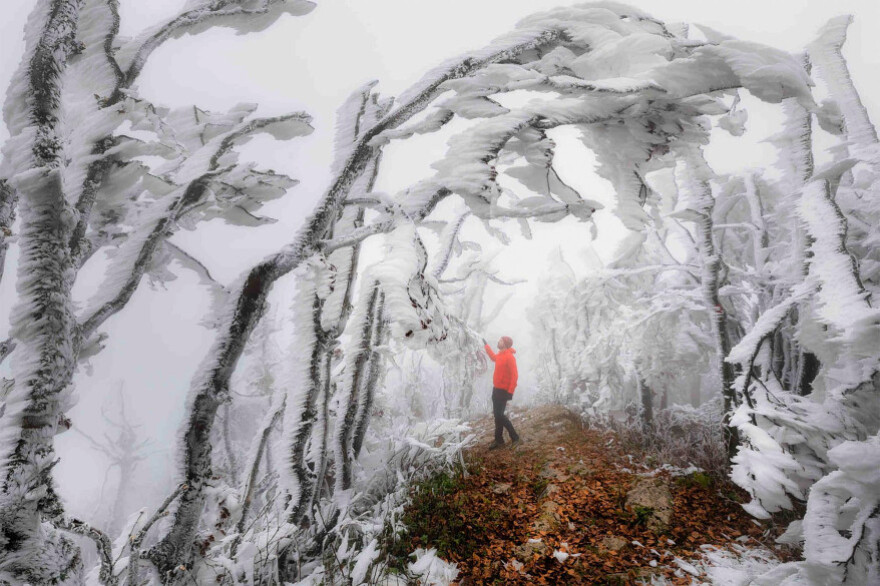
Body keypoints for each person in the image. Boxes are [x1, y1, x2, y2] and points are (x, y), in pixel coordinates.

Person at [483, 336, 520, 449]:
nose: (498, 342)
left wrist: (510, 392)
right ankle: (499, 440)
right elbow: (493, 357)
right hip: (496, 389)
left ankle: (515, 437)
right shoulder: (499, 355)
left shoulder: (510, 357)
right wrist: (486, 346)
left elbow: (515, 375)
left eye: (500, 341)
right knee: (497, 416)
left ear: (505, 343)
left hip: (504, 391)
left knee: (499, 415)